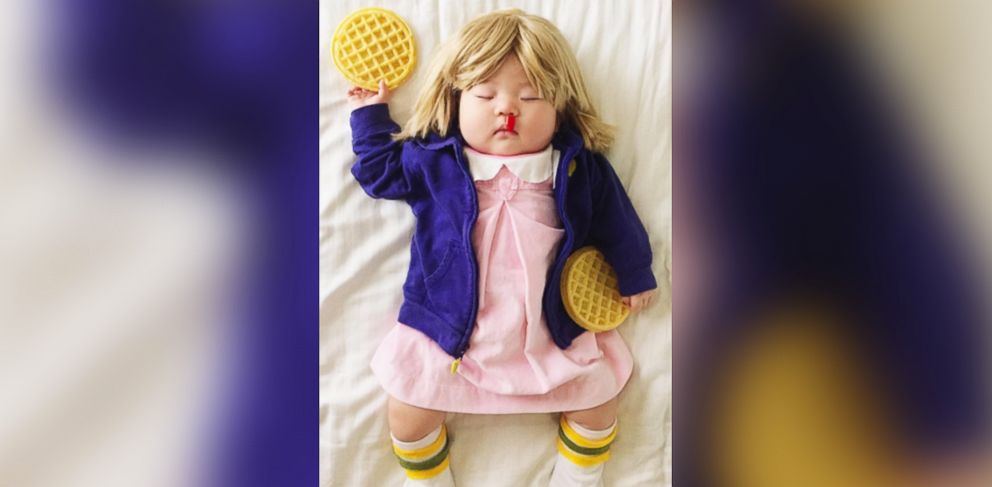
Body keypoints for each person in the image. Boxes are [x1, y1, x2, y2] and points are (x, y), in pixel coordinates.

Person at [346, 9, 657, 486]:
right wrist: (370, 116)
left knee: (599, 401)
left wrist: (634, 270)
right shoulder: (436, 162)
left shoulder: (574, 168)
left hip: (551, 328)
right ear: (455, 99)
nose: (506, 110)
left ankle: (578, 476)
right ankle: (429, 480)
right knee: (407, 409)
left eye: (531, 96)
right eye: (485, 94)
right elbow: (379, 174)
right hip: (449, 330)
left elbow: (615, 219)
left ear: (560, 107)